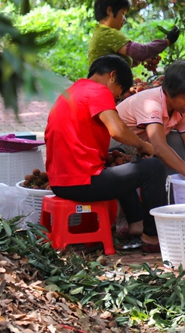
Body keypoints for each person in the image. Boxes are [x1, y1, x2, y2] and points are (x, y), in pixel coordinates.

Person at [45, 55, 167, 252]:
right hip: (81, 183)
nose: (116, 99)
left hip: (60, 182)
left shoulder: (72, 91)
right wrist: (142, 145)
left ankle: (136, 222)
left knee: (120, 164)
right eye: (118, 94)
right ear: (112, 76)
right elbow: (117, 130)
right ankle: (151, 236)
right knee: (154, 167)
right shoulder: (98, 91)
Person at [116, 59, 185, 182]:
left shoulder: (182, 108)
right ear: (170, 91)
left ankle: (171, 189)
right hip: (119, 147)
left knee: (175, 139)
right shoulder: (150, 104)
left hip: (143, 146)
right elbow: (159, 147)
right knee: (164, 145)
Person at [87, 0, 180, 67]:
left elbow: (121, 63)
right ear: (109, 11)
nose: (124, 19)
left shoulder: (100, 32)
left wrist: (142, 59)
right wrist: (167, 42)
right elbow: (141, 52)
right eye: (122, 13)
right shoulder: (107, 33)